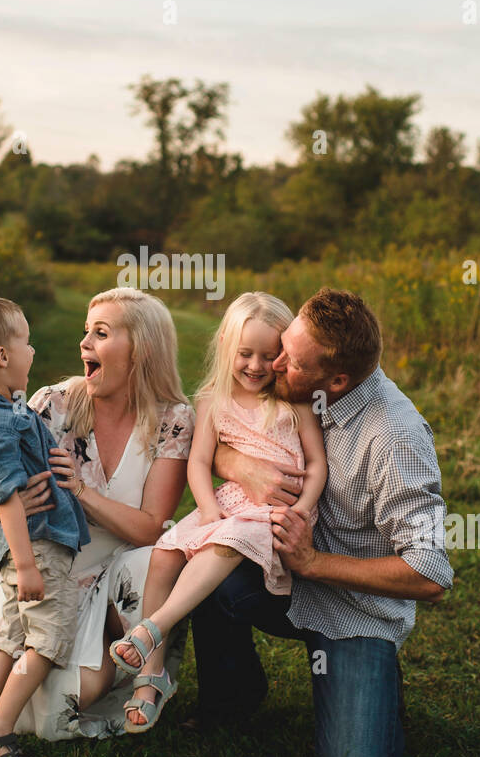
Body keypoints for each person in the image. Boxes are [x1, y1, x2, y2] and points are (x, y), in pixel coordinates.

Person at [190, 287, 454, 757]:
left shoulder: (394, 437)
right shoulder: (300, 388)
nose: (275, 362)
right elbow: (214, 435)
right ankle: (234, 699)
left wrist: (312, 562)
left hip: (353, 606)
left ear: (337, 380)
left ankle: (376, 684)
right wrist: (237, 463)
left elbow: (431, 573)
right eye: (281, 345)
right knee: (207, 569)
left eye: (289, 360)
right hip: (283, 574)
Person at [0, 287, 194, 740]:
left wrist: (81, 491)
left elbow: (150, 526)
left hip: (118, 570)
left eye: (102, 333)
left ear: (141, 349)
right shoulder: (51, 405)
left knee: (166, 557)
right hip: (47, 567)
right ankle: (0, 710)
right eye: (86, 332)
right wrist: (4, 506)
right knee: (46, 714)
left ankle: (130, 666)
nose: (84, 343)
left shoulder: (173, 419)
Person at [110, 292, 327, 732]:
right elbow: (197, 461)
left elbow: (317, 462)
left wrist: (303, 509)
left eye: (269, 355)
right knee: (166, 552)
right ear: (227, 346)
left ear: (284, 354)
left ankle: (154, 625)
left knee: (223, 543)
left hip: (275, 514)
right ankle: (151, 678)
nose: (255, 365)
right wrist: (207, 508)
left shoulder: (294, 400)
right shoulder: (212, 399)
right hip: (227, 507)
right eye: (245, 353)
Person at [0, 295, 90, 757]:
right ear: (2, 357)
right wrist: (28, 566)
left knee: (5, 644)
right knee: (45, 642)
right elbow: (7, 495)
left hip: (25, 546)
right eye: (26, 343)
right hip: (38, 546)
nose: (33, 351)